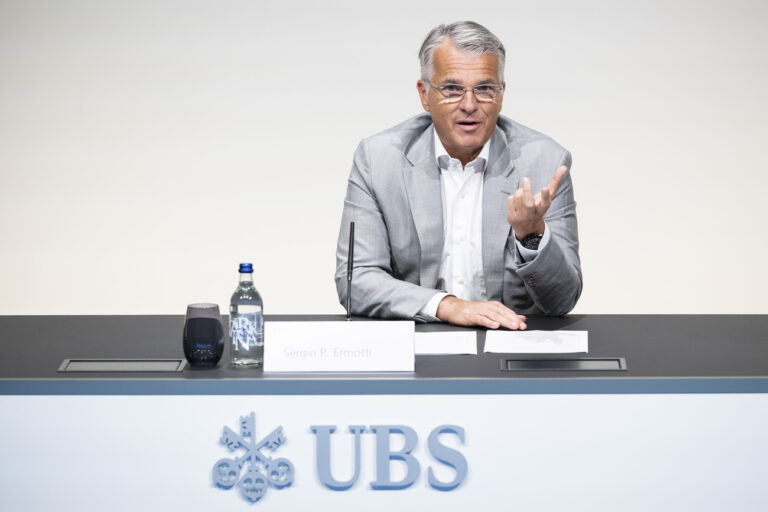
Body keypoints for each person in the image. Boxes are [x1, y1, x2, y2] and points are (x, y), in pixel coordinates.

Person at [335, 21, 582, 330]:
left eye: (484, 89)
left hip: (511, 343)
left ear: (501, 94)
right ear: (425, 94)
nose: (469, 105)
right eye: (452, 89)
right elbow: (355, 281)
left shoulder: (544, 161)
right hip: (418, 340)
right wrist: (448, 306)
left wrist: (531, 235)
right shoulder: (378, 159)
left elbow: (563, 300)